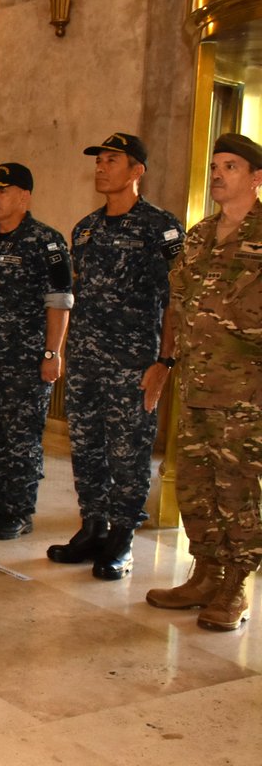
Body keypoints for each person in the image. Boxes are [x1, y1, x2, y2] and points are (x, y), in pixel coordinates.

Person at [47, 134, 184, 580]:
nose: (102, 168)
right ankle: (93, 527)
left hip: (134, 364)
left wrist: (164, 362)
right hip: (87, 361)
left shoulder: (160, 229)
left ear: (136, 171)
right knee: (86, 449)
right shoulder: (85, 229)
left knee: (128, 453)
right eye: (99, 161)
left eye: (112, 160)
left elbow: (176, 301)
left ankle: (122, 538)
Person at [144, 132, 262, 631]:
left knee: (237, 488)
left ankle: (235, 584)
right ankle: (205, 573)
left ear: (256, 178)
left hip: (246, 394)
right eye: (215, 166)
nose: (217, 173)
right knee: (195, 485)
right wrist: (165, 365)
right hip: (195, 385)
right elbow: (178, 305)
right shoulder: (197, 235)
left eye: (230, 166)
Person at [0, 163, 73, 540]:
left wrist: (52, 354)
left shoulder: (47, 242)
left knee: (21, 438)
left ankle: (20, 510)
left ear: (24, 197)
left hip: (25, 361)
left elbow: (59, 302)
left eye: (2, 190)